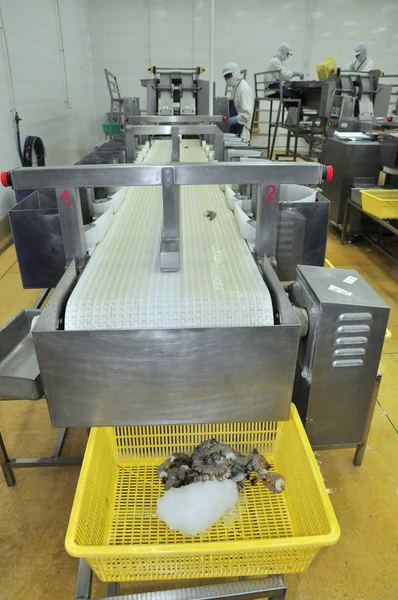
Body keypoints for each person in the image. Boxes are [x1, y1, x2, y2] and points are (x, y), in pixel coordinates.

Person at [222, 62, 254, 142]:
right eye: (225, 77)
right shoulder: (235, 87)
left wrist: (230, 120)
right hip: (235, 128)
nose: (227, 79)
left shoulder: (243, 89)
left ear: (235, 73)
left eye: (229, 76)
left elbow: (247, 115)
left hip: (242, 131)